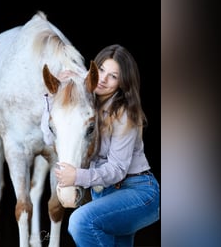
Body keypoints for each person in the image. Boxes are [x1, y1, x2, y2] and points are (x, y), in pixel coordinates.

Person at [50, 44, 160, 246]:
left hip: (138, 191)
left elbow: (117, 169)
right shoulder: (86, 106)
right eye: (101, 70)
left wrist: (77, 176)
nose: (103, 79)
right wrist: (56, 93)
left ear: (122, 83)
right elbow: (50, 133)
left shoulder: (124, 114)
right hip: (106, 193)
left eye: (113, 76)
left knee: (80, 221)